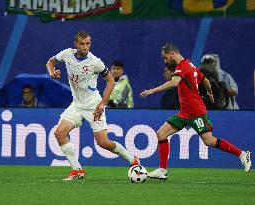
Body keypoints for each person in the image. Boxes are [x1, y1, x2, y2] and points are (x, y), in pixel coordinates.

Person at [140, 43, 251, 180]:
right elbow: (205, 81)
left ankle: (242, 154)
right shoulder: (191, 66)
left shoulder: (183, 67)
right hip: (184, 113)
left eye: (165, 57)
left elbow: (174, 83)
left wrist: (153, 90)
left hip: (196, 112)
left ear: (173, 54)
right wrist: (210, 93)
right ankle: (162, 170)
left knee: (209, 141)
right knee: (161, 134)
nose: (165, 61)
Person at [46, 31, 139, 180]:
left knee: (103, 142)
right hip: (76, 104)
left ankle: (133, 160)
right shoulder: (67, 54)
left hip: (93, 105)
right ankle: (77, 170)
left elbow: (111, 81)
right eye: (82, 44)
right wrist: (52, 73)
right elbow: (50, 62)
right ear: (75, 44)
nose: (85, 47)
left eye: (88, 43)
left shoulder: (95, 62)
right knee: (59, 133)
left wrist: (103, 103)